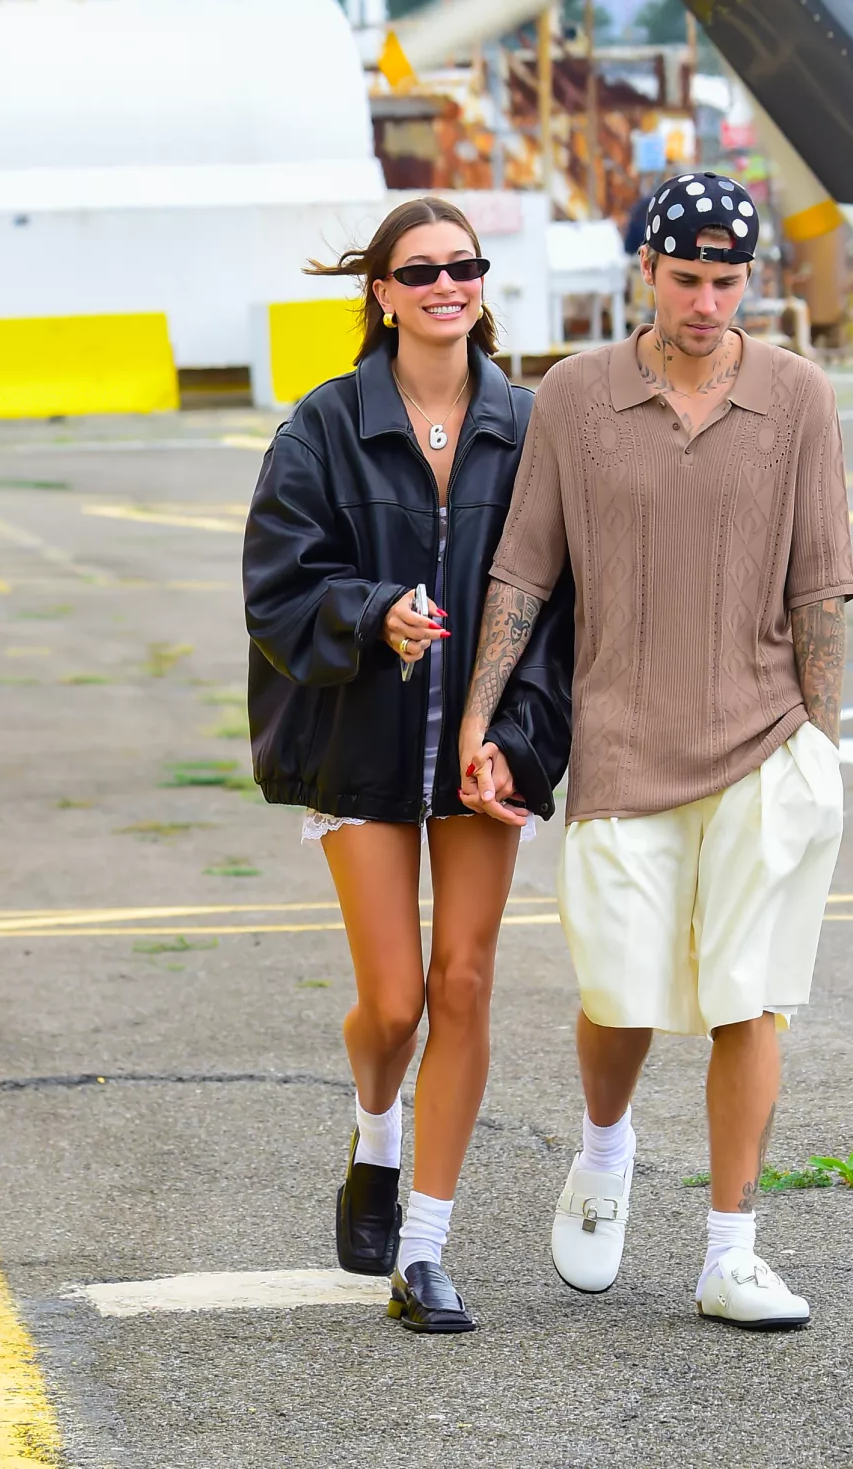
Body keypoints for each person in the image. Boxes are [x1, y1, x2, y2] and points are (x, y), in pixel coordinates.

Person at [458, 169, 853, 1330]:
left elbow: (823, 586)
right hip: (623, 743)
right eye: (686, 278)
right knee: (618, 990)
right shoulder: (575, 398)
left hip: (765, 742)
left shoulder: (799, 397)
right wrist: (482, 721)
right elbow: (525, 569)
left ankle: (731, 1250)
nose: (706, 301)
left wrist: (820, 750)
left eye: (727, 281)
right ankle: (605, 1145)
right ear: (647, 271)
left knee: (751, 998)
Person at [243, 196, 571, 1334]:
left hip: (485, 752)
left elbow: (570, 604)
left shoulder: (532, 425)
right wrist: (375, 611)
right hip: (361, 746)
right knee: (394, 1002)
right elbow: (278, 588)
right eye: (421, 269)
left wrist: (518, 738)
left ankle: (423, 1248)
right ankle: (372, 1136)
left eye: (465, 266)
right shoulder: (323, 426)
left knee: (465, 984)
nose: (448, 284)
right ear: (379, 291)